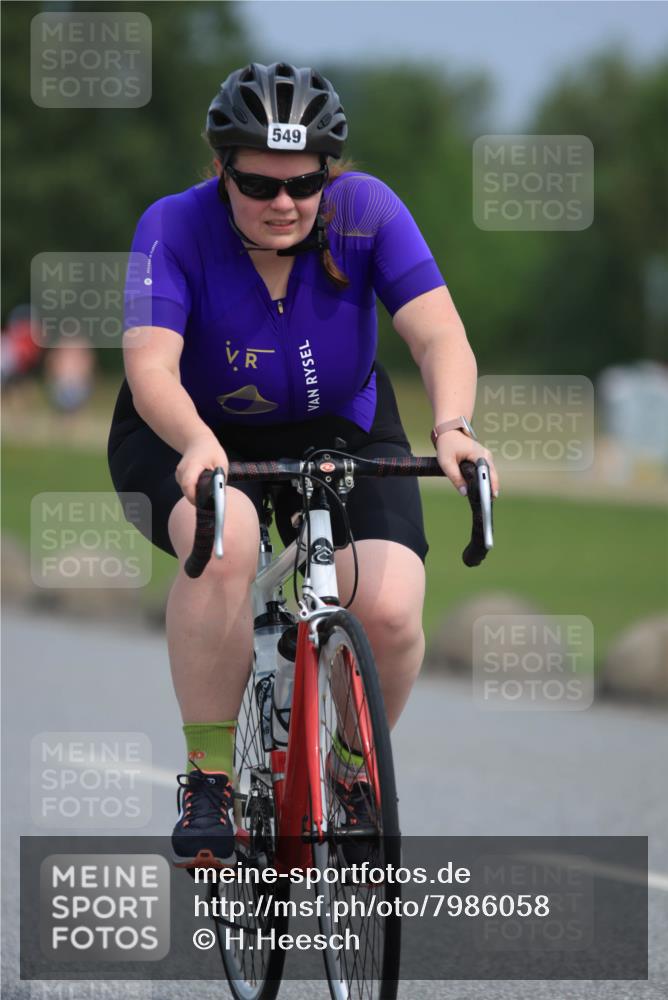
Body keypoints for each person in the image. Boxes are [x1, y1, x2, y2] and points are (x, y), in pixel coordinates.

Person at [107, 62, 499, 867]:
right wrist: (197, 444)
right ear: (221, 168)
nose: (283, 203)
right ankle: (209, 779)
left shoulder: (367, 213)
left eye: (305, 183)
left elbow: (437, 334)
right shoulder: (174, 227)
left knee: (388, 608)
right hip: (187, 427)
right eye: (258, 183)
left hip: (344, 424)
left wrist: (453, 425)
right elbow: (150, 369)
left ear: (331, 173)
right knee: (229, 540)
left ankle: (352, 778)